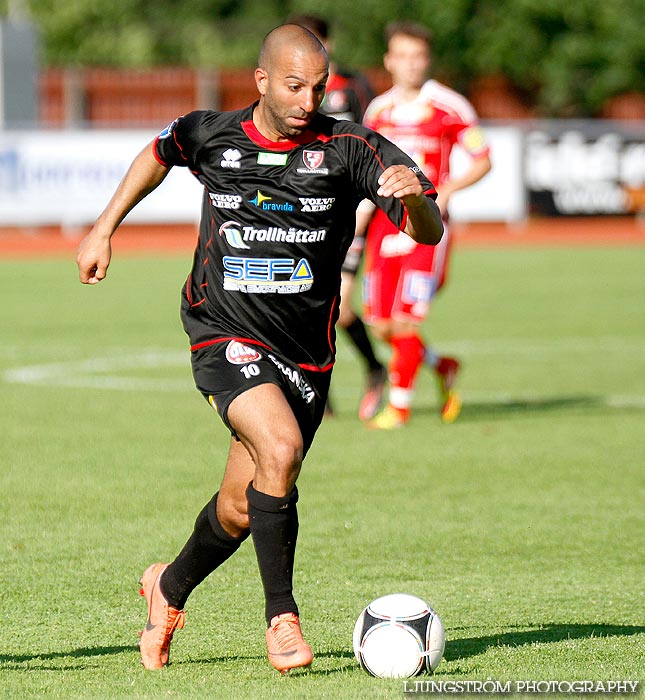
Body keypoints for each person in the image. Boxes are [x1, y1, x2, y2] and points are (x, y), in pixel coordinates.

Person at [76, 23, 443, 673]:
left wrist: (415, 204)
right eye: (296, 86)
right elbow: (156, 155)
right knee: (280, 449)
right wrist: (104, 228)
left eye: (320, 87)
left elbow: (425, 229)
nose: (309, 100)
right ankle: (281, 619)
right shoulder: (210, 134)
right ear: (263, 81)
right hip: (222, 330)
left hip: (305, 353)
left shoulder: (350, 147)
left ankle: (168, 587)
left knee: (242, 504)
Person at [361, 21, 492, 430]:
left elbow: (483, 157)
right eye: (401, 56)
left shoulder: (450, 106)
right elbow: (365, 164)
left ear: (427, 60)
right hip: (385, 228)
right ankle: (442, 366)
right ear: (389, 60)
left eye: (417, 56)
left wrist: (449, 188)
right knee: (381, 325)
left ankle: (398, 409)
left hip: (427, 229)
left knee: (406, 321)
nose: (410, 64)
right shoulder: (378, 110)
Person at [288, 13, 387, 421]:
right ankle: (315, 389)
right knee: (296, 300)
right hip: (300, 212)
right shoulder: (285, 90)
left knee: (341, 307)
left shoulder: (355, 86)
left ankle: (375, 368)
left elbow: (373, 143)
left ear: (328, 42)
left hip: (348, 210)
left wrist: (367, 201)